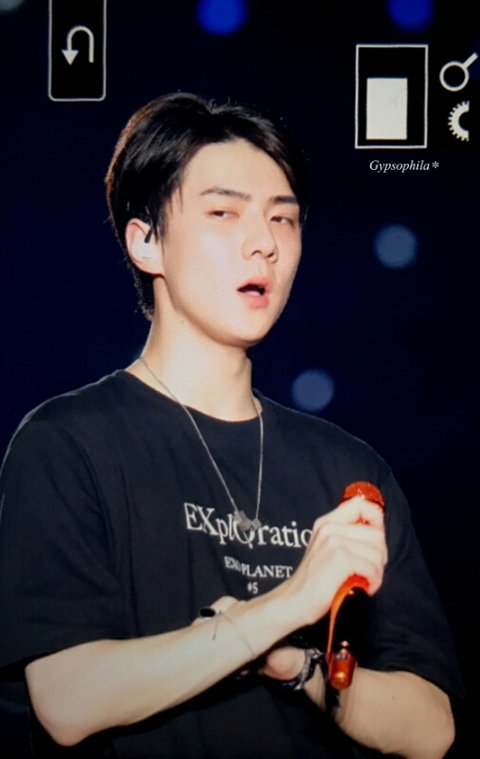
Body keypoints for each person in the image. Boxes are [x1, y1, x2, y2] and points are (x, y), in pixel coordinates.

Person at [0, 92, 463, 758]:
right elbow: (68, 701)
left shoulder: (349, 469)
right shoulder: (67, 442)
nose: (264, 243)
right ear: (146, 241)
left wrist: (294, 663)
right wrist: (287, 604)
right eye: (224, 213)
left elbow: (431, 729)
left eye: (284, 218)